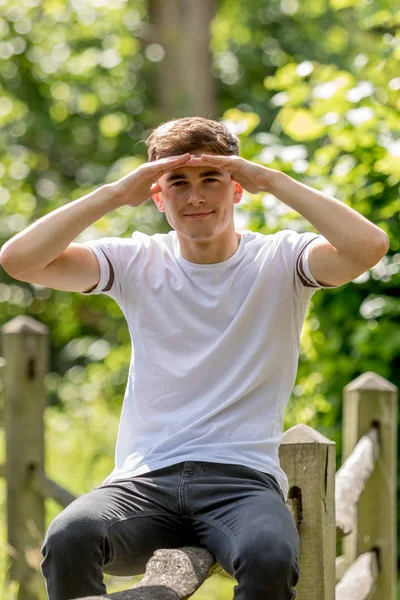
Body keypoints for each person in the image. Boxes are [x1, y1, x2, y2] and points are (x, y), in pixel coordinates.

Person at [0, 116, 389, 600]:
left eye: (211, 179)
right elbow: (20, 261)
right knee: (68, 537)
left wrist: (269, 178)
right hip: (145, 481)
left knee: (271, 556)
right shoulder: (134, 260)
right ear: (157, 196)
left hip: (242, 481)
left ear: (238, 189)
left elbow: (369, 247)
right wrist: (116, 194)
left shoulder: (283, 259)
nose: (196, 197)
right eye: (177, 183)